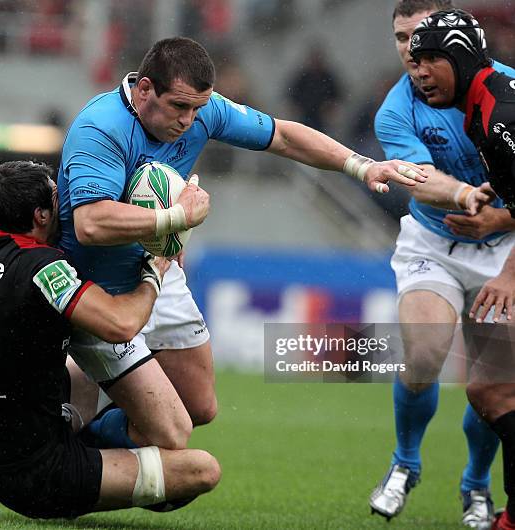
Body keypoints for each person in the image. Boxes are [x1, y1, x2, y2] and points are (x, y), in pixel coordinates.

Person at [58, 36, 427, 453]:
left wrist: (361, 165)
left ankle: (83, 425)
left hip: (157, 269)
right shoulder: (102, 127)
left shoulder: (202, 111)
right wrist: (177, 218)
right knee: (169, 430)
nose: (190, 120)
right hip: (98, 286)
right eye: (180, 107)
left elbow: (283, 137)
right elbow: (90, 222)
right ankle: (72, 442)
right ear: (145, 89)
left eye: (198, 107)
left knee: (198, 406)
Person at [0, 160, 220, 519]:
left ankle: (83, 435)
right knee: (200, 468)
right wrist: (154, 272)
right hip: (37, 470)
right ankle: (84, 458)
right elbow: (121, 324)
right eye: (56, 197)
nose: (65, 203)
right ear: (40, 216)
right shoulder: (43, 268)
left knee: (87, 369)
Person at [368, 2, 515, 527]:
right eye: (403, 39)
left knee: (495, 380)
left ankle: (476, 484)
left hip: (504, 251)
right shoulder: (396, 110)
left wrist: (499, 220)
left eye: (424, 40)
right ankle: (405, 462)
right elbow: (418, 178)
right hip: (434, 246)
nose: (412, 52)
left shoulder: (506, 97)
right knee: (426, 350)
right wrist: (466, 197)